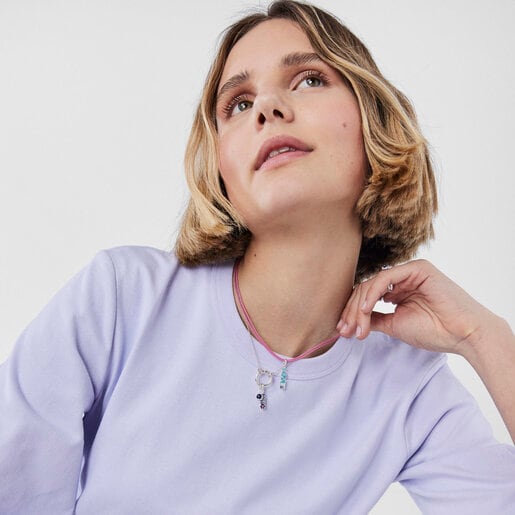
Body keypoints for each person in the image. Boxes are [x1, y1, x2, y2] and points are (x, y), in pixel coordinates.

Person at [1, 1, 514, 513]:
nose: (267, 107)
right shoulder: (120, 300)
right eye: (238, 104)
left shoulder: (410, 387)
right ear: (221, 165)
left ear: (373, 121)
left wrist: (484, 337)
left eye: (309, 79)